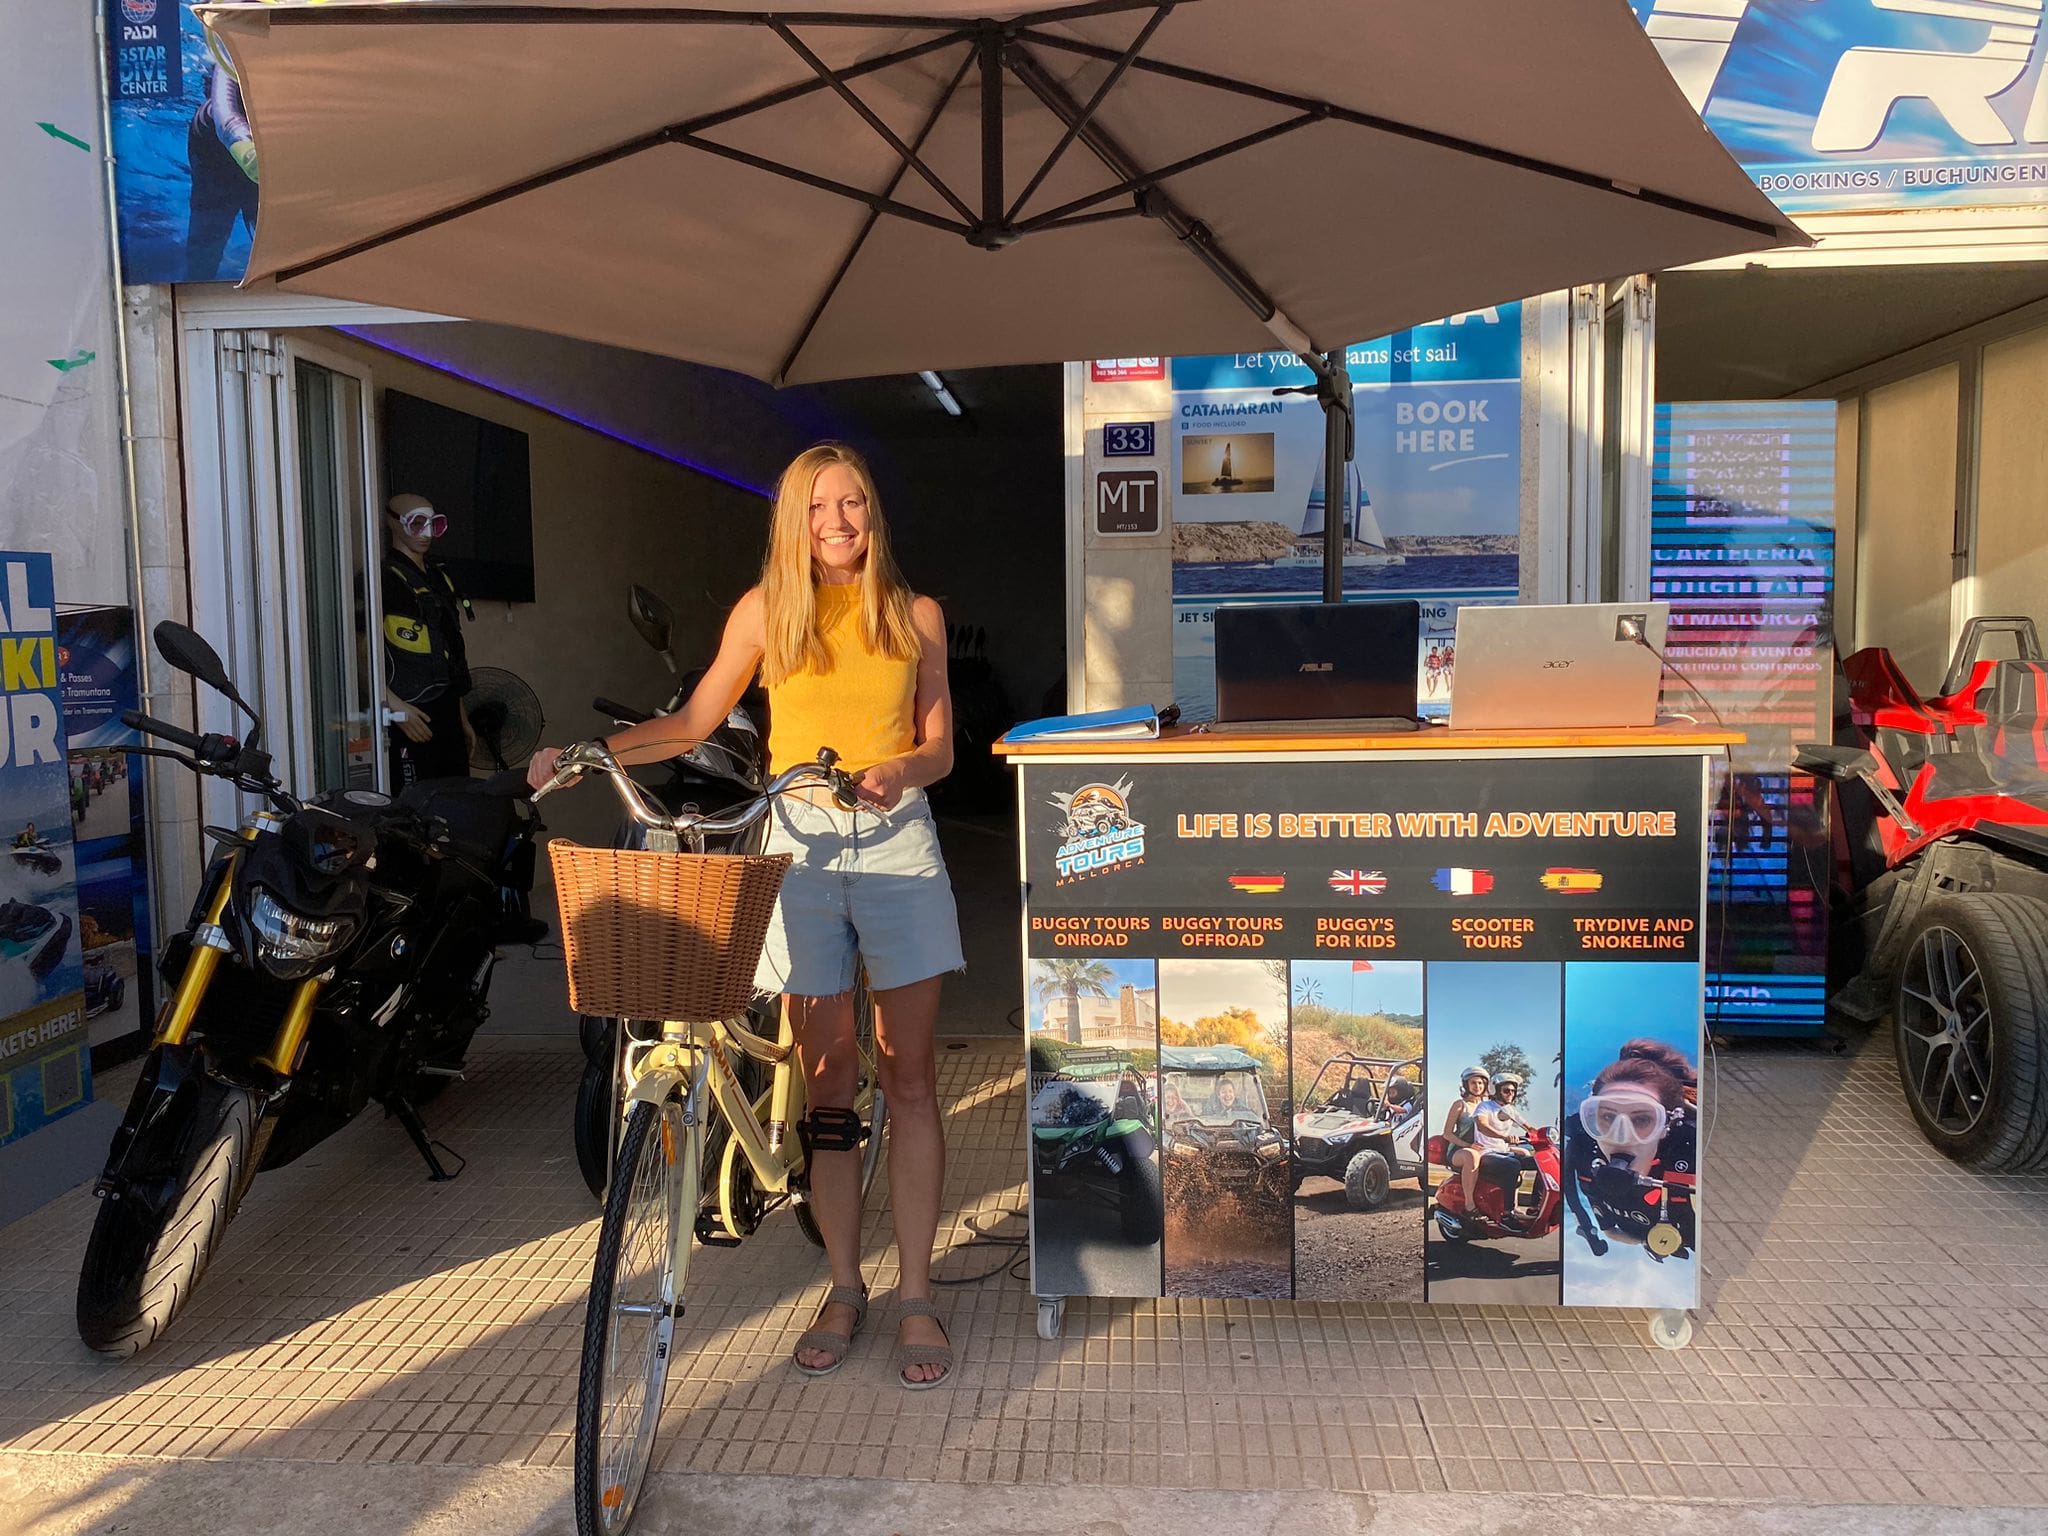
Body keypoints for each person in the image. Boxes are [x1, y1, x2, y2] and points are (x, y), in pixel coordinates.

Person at [527, 442, 962, 1388]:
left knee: (912, 1075)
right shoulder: (767, 612)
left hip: (896, 844)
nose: (837, 522)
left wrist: (901, 770)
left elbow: (941, 748)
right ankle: (846, 1286)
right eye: (817, 508)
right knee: (830, 1076)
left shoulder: (913, 613)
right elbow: (690, 724)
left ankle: (919, 1291)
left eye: (851, 504)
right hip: (795, 840)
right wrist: (587, 751)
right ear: (793, 520)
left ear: (871, 512)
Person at [1564, 1039, 1698, 1257]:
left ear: (1667, 1125)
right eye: (1607, 1116)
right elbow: (1576, 1200)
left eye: (1642, 1119)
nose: (1621, 1136)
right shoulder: (1584, 1149)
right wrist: (1606, 1228)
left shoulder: (1690, 1157)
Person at [382, 493, 476, 788]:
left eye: (433, 525)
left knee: (457, 799)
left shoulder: (440, 577)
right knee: (413, 806)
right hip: (410, 708)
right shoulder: (383, 579)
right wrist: (393, 707)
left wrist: (461, 717)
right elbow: (363, 651)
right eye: (416, 523)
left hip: (447, 709)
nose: (425, 534)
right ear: (393, 523)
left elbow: (449, 650)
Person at [186, 62, 259, 280]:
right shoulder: (209, 117)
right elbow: (226, 122)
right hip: (214, 160)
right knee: (203, 258)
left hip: (254, 159)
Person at [1442, 1066, 1492, 1210]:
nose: (1477, 1086)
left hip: (1484, 1148)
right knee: (1472, 1156)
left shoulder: (1487, 1107)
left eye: (1481, 1083)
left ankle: (1511, 1206)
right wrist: (1468, 1145)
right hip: (1459, 1151)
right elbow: (1447, 1133)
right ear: (1466, 1085)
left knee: (1521, 1154)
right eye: (1473, 1083)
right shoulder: (1460, 1105)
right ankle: (1469, 1204)